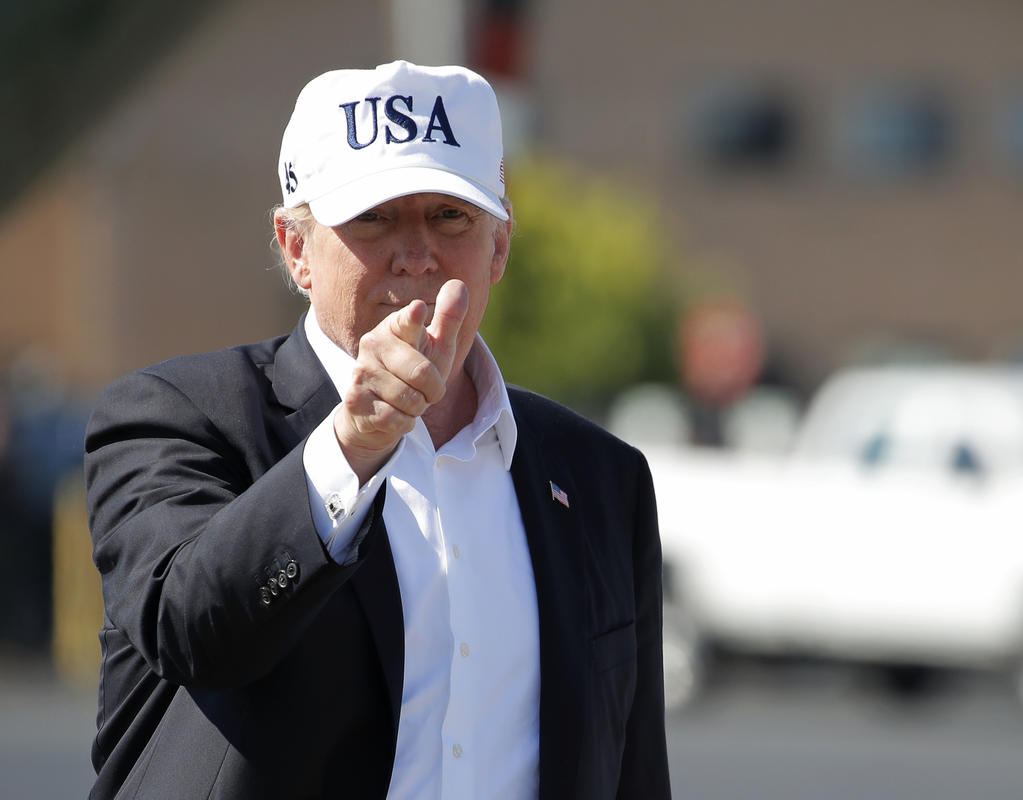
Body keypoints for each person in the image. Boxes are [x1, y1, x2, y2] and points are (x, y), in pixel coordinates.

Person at [84, 60, 670, 800]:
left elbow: (633, 770)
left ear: (498, 247)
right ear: (296, 247)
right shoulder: (178, 415)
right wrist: (351, 449)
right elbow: (192, 629)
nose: (416, 252)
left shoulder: (595, 475)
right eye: (374, 216)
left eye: (450, 216)